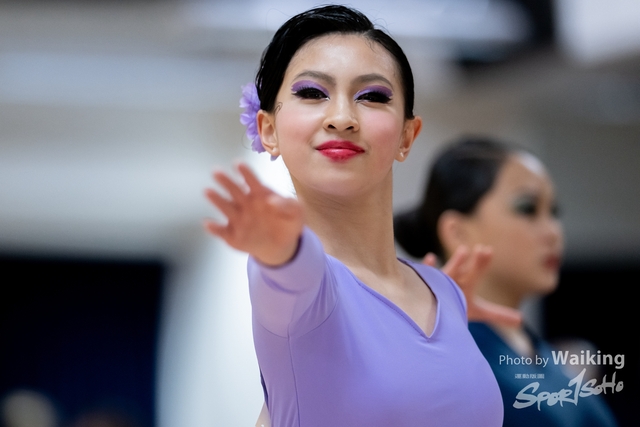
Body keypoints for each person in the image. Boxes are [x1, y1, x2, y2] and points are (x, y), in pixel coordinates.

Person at [205, 6, 504, 426]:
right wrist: (283, 250)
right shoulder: (298, 285)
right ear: (268, 129)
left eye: (373, 96)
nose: (342, 119)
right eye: (312, 93)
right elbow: (293, 275)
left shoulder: (443, 291)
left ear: (407, 136)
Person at [394, 136, 619, 427]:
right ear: (458, 232)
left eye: (553, 212)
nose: (553, 232)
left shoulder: (535, 349)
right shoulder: (444, 358)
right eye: (528, 208)